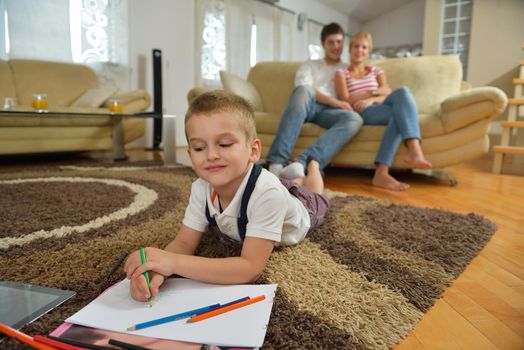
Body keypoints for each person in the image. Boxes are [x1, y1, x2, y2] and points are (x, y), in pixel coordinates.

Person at [124, 90, 330, 302]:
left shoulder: (269, 195)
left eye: (224, 144)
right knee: (289, 186)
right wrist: (157, 271)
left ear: (253, 150)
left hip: (303, 210)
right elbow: (184, 243)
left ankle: (312, 165)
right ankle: (295, 180)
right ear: (190, 155)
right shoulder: (200, 188)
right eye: (199, 147)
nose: (211, 155)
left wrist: (174, 263)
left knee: (313, 194)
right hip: (272, 189)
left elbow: (249, 268)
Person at [335, 31, 432, 191]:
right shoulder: (341, 73)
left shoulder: (376, 71)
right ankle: (411, 150)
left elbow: (387, 92)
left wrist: (371, 99)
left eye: (364, 47)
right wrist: (374, 92)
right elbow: (345, 98)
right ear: (350, 49)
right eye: (356, 46)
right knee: (400, 114)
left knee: (403, 92)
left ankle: (385, 170)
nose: (360, 50)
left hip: (375, 105)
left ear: (369, 51)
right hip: (361, 111)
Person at [265, 22, 363, 180]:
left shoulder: (347, 69)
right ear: (322, 44)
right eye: (331, 42)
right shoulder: (310, 64)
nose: (335, 46)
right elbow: (303, 86)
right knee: (304, 90)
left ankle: (301, 163)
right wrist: (335, 101)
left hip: (329, 113)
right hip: (306, 105)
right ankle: (276, 163)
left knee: (355, 119)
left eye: (339, 42)